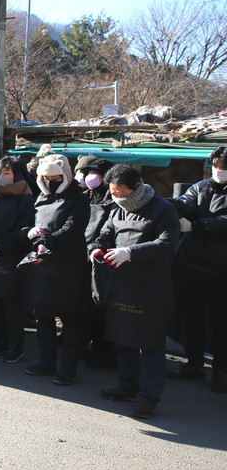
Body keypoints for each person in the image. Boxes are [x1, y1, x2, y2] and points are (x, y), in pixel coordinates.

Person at [92, 164, 179, 419]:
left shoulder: (163, 209)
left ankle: (148, 397)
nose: (117, 197)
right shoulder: (117, 210)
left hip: (150, 286)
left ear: (138, 187)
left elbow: (167, 244)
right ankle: (127, 385)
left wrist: (131, 252)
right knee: (123, 338)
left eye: (122, 192)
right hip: (122, 283)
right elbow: (106, 234)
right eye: (113, 193)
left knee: (150, 344)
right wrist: (97, 248)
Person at [18, 154, 91, 384]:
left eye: (56, 177)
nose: (51, 181)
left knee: (71, 321)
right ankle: (46, 362)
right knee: (43, 318)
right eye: (46, 177)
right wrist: (30, 232)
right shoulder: (41, 197)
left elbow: (74, 228)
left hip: (68, 266)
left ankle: (68, 369)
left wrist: (49, 240)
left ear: (66, 175)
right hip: (42, 266)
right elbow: (33, 222)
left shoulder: (79, 198)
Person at [168, 145, 227, 393]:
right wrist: (170, 206)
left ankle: (221, 372)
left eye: (225, 168)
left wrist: (196, 226)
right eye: (217, 166)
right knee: (191, 318)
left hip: (222, 269)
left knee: (221, 323)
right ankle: (193, 364)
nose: (220, 171)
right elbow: (185, 202)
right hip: (192, 264)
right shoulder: (200, 187)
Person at [0, 156, 35, 362]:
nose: (1, 177)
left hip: (11, 258)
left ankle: (15, 345)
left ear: (17, 175)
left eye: (7, 173)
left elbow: (24, 229)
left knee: (13, 307)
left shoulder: (26, 198)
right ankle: (1, 340)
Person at [75, 155, 116, 369]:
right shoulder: (84, 196)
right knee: (85, 307)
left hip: (102, 259)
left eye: (94, 174)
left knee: (102, 310)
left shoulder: (112, 199)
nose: (88, 178)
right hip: (82, 256)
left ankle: (104, 352)